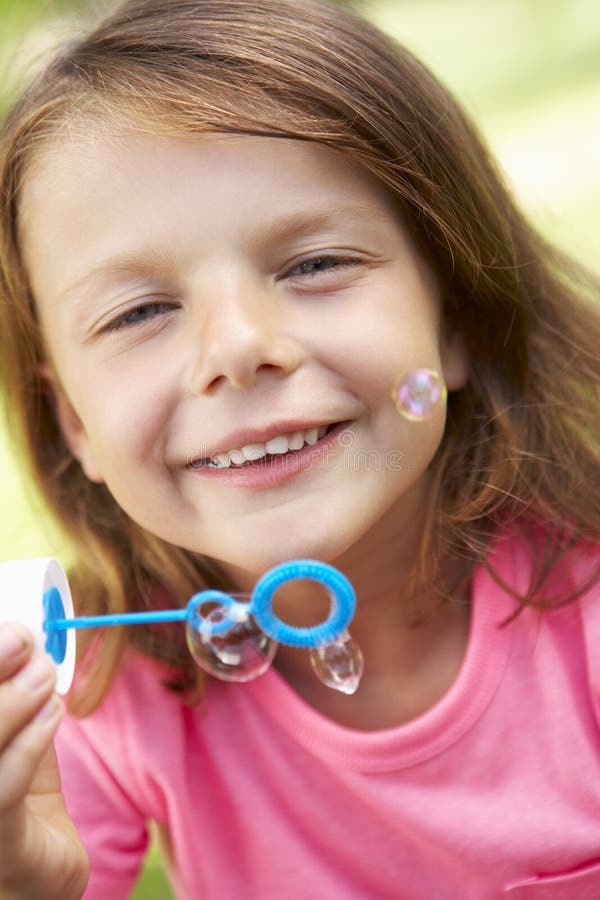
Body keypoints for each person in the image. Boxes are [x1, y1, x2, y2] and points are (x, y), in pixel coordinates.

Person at [0, 0, 599, 896]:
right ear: (77, 423)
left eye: (315, 263)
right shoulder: (99, 693)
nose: (238, 348)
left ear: (457, 321)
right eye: (139, 312)